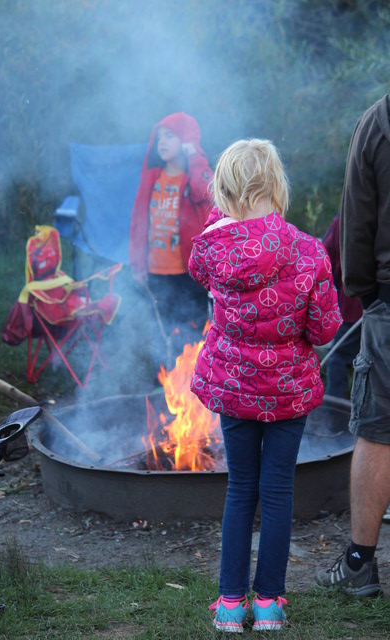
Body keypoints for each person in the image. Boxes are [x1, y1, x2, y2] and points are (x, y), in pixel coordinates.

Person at [188, 139, 342, 632]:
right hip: (288, 394)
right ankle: (271, 604)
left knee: (240, 490)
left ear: (224, 192)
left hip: (234, 388)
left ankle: (231, 606)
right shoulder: (309, 251)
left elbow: (197, 270)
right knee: (277, 492)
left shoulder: (211, 249)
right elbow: (323, 330)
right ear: (277, 187)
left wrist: (222, 219)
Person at [316, 95, 390, 596]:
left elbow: (355, 223)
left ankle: (360, 564)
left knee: (378, 431)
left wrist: (367, 296)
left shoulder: (378, 121)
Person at [129, 112, 212, 375]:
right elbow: (139, 220)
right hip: (157, 272)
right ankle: (165, 389)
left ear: (185, 140)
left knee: (193, 333)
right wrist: (137, 264)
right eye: (159, 137)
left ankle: (195, 387)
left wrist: (195, 156)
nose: (161, 142)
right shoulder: (152, 176)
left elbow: (207, 193)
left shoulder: (194, 176)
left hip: (190, 273)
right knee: (162, 331)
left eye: (170, 136)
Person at [322, 213, 362, 398]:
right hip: (356, 306)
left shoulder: (345, 220)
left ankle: (331, 418)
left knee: (339, 358)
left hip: (356, 305)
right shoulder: (342, 221)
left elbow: (323, 259)